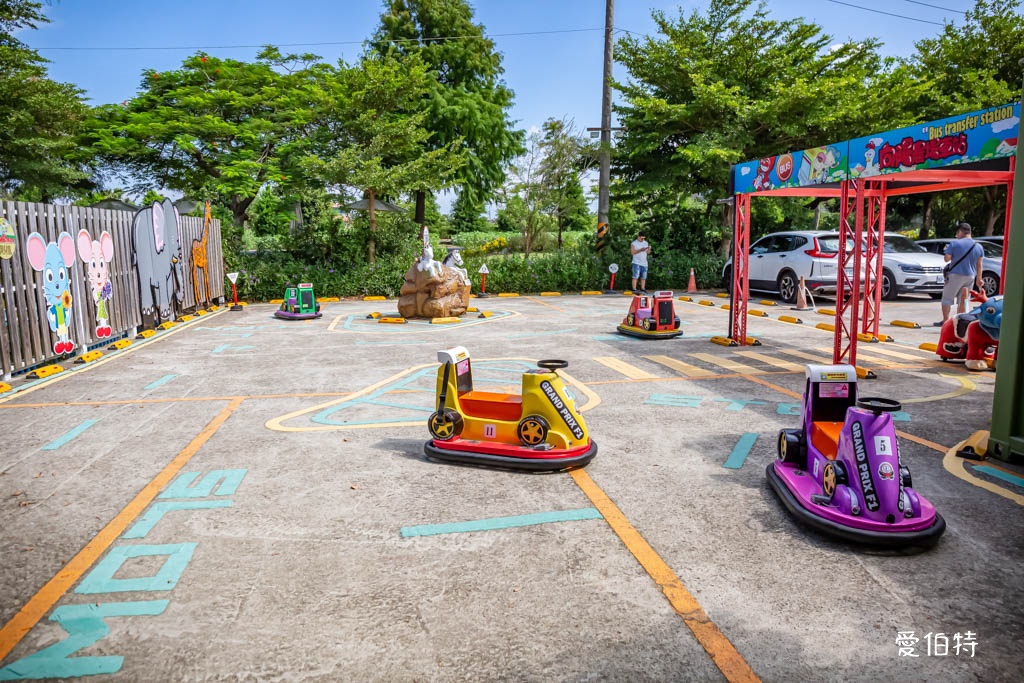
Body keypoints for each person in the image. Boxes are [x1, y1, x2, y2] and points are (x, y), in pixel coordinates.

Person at [936, 222, 984, 326]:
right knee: (963, 299)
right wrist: (979, 279)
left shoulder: (954, 243)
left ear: (961, 231)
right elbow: (979, 265)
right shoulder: (978, 246)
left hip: (955, 275)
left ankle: (945, 321)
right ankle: (960, 322)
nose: (957, 235)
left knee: (947, 299)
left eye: (957, 233)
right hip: (970, 276)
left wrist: (949, 252)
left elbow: (946, 259)